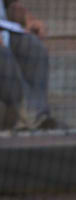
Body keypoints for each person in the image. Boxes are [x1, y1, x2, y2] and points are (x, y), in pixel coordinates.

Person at [0, 0, 59, 129]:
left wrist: (26, 18)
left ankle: (37, 116)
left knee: (33, 47)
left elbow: (8, 5)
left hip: (5, 30)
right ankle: (34, 120)